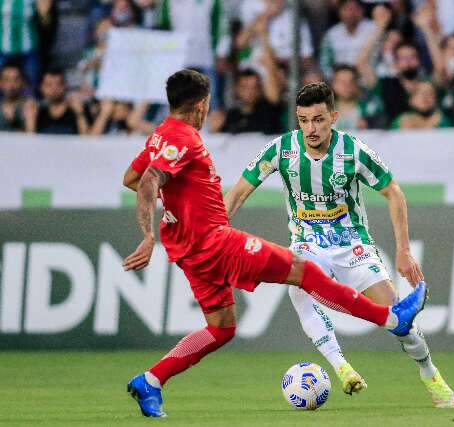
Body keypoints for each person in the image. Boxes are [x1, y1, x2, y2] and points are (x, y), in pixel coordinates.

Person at [122, 70, 427, 417]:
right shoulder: (186, 139)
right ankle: (391, 319)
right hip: (214, 242)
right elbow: (146, 182)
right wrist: (148, 234)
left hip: (188, 250)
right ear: (202, 105)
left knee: (221, 328)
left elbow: (130, 177)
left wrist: (179, 205)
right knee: (304, 271)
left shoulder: (160, 136)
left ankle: (152, 380)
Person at [224, 82, 454, 408]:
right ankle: (342, 367)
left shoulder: (353, 151)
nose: (310, 128)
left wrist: (403, 250)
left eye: (318, 119)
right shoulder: (281, 150)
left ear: (333, 117)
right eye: (303, 120)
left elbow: (394, 193)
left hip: (353, 245)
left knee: (400, 322)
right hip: (308, 241)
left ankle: (430, 373)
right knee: (298, 290)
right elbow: (238, 193)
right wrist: (217, 230)